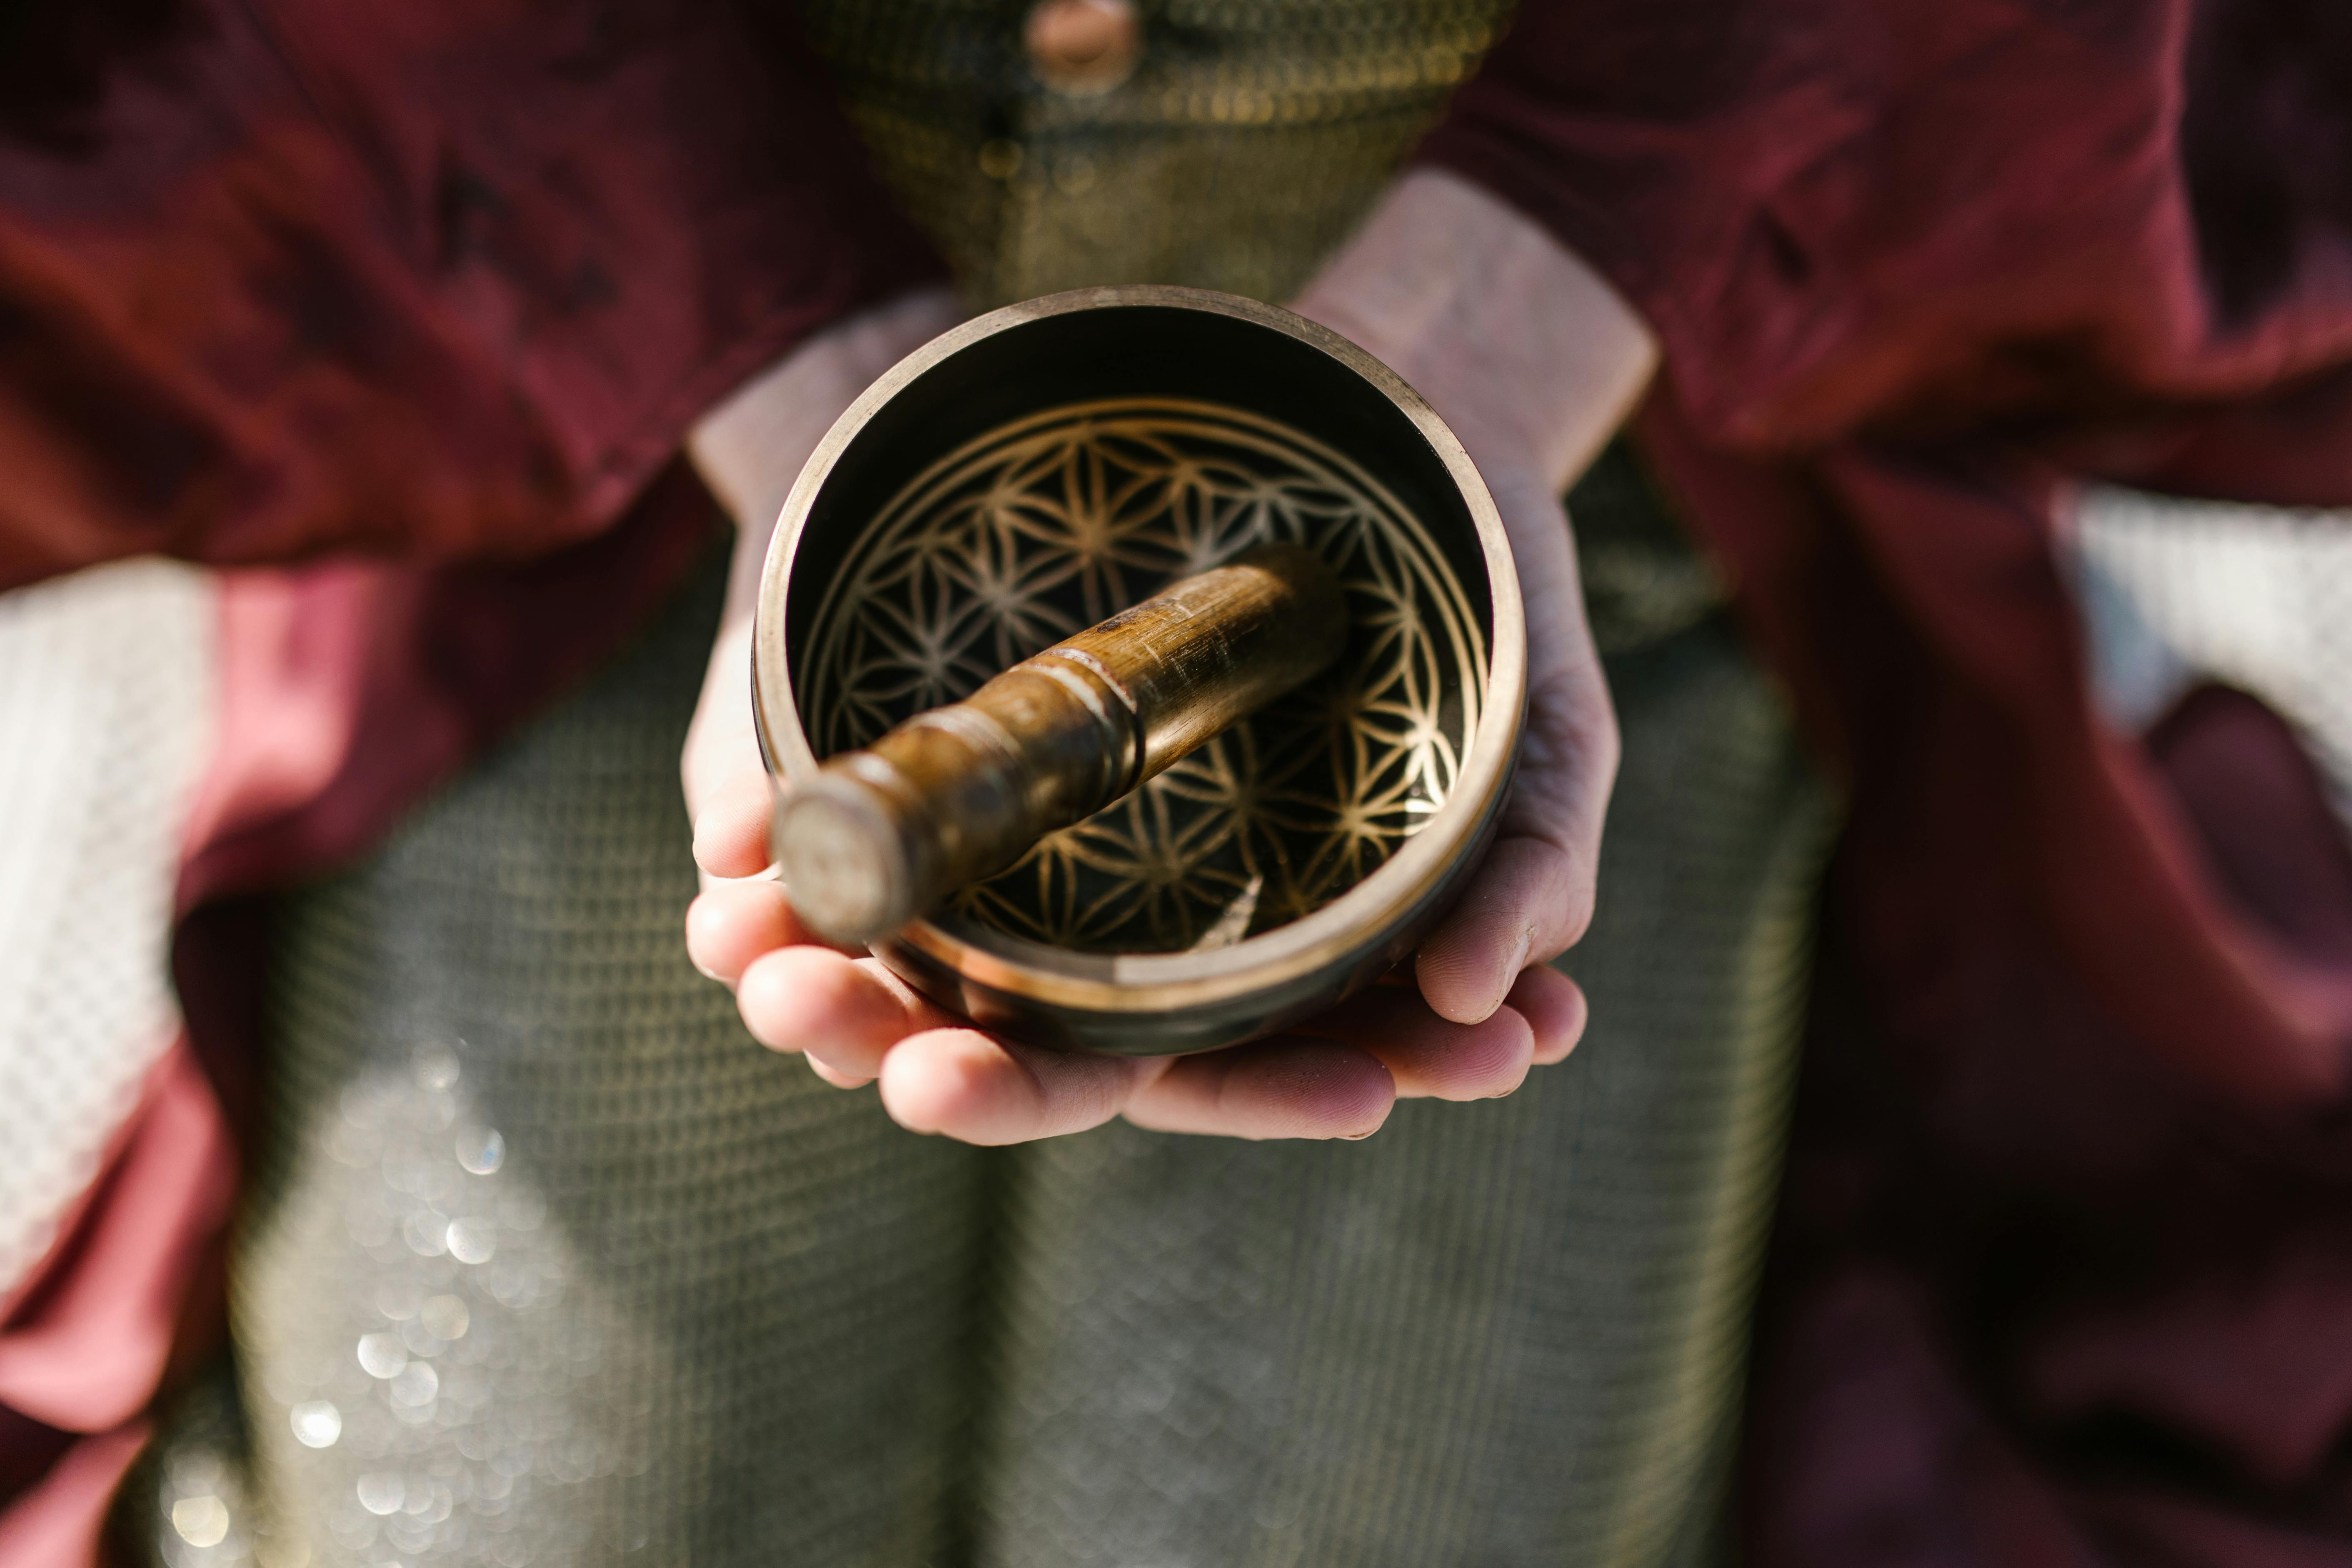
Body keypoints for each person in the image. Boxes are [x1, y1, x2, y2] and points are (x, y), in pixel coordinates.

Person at [1, 1, 2349, 1564]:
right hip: (583, 391)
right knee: (516, 1509)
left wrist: (1521, 309)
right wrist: (752, 323)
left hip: (1608, 402)